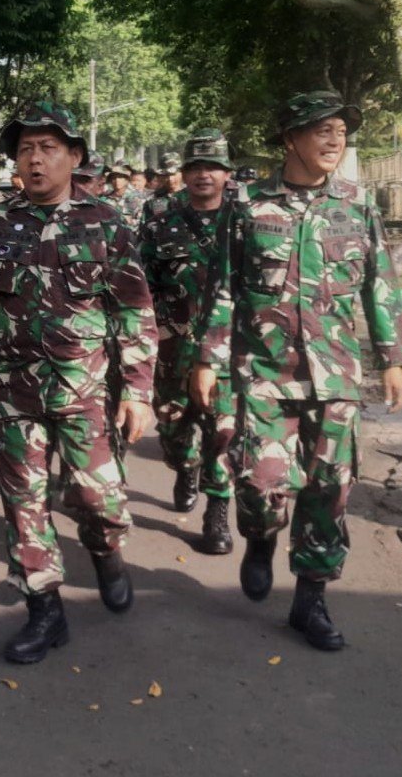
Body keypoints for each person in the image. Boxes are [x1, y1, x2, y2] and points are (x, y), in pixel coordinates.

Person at [190, 91, 402, 652]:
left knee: (329, 491)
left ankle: (310, 599)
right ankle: (261, 540)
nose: (335, 139)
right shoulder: (248, 206)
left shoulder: (357, 205)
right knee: (261, 486)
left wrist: (392, 360)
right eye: (321, 130)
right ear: (290, 139)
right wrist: (207, 358)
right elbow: (222, 286)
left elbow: (379, 285)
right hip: (263, 373)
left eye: (341, 129)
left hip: (335, 375)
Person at [0, 101, 157, 665]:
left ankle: (106, 549)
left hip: (85, 393)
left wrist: (136, 390)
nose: (35, 160)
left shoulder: (106, 224)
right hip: (15, 397)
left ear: (74, 157)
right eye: (26, 150)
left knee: (97, 498)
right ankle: (44, 611)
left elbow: (134, 311)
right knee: (23, 503)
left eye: (48, 149)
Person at [139, 130, 237, 554]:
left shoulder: (245, 216)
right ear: (183, 173)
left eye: (212, 167)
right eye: (195, 167)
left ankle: (217, 515)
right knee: (176, 432)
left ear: (227, 173)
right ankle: (185, 467)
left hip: (229, 351)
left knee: (225, 433)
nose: (203, 175)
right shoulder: (159, 213)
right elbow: (139, 280)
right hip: (171, 350)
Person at [139, 152, 185, 225]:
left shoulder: (193, 197)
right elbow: (145, 228)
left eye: (173, 174)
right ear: (160, 177)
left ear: (182, 173)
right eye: (166, 175)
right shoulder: (152, 201)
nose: (170, 179)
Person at [103, 162, 146, 229]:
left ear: (127, 180)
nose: (117, 180)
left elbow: (140, 221)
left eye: (120, 177)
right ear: (110, 180)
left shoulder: (137, 197)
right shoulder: (105, 198)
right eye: (114, 178)